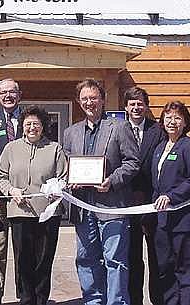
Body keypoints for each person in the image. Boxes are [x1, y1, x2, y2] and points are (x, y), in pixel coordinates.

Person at [63, 78, 140, 305]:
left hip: (112, 206)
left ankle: (116, 302)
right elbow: (68, 166)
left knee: (115, 260)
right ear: (79, 102)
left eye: (94, 98)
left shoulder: (119, 127)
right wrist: (70, 180)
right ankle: (93, 301)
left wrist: (112, 181)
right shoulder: (71, 132)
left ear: (103, 100)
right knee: (86, 259)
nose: (89, 103)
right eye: (85, 99)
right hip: (83, 207)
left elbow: (132, 162)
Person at [0, 105, 67, 305]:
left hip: (48, 213)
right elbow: (1, 176)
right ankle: (26, 299)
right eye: (28, 124)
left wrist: (56, 189)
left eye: (36, 124)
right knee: (23, 259)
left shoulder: (55, 148)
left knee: (44, 259)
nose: (32, 128)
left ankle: (41, 298)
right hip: (19, 212)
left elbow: (63, 177)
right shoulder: (11, 148)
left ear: (43, 126)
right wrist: (11, 190)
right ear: (22, 126)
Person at [151, 101, 190, 305]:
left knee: (186, 267)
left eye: (177, 118)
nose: (172, 122)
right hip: (163, 221)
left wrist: (172, 196)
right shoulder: (159, 148)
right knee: (165, 266)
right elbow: (156, 184)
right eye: (168, 117)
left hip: (184, 221)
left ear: (185, 123)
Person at [124, 87, 165, 305]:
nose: (136, 107)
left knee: (156, 256)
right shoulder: (118, 129)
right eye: (132, 104)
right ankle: (134, 300)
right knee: (132, 257)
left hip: (153, 200)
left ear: (146, 106)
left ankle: (158, 299)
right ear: (126, 107)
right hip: (127, 202)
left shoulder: (157, 131)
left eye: (140, 103)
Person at [0, 78, 23, 305]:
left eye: (12, 92)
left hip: (25, 198)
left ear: (19, 94)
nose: (8, 96)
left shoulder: (32, 118)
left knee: (24, 250)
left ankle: (25, 296)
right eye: (3, 93)